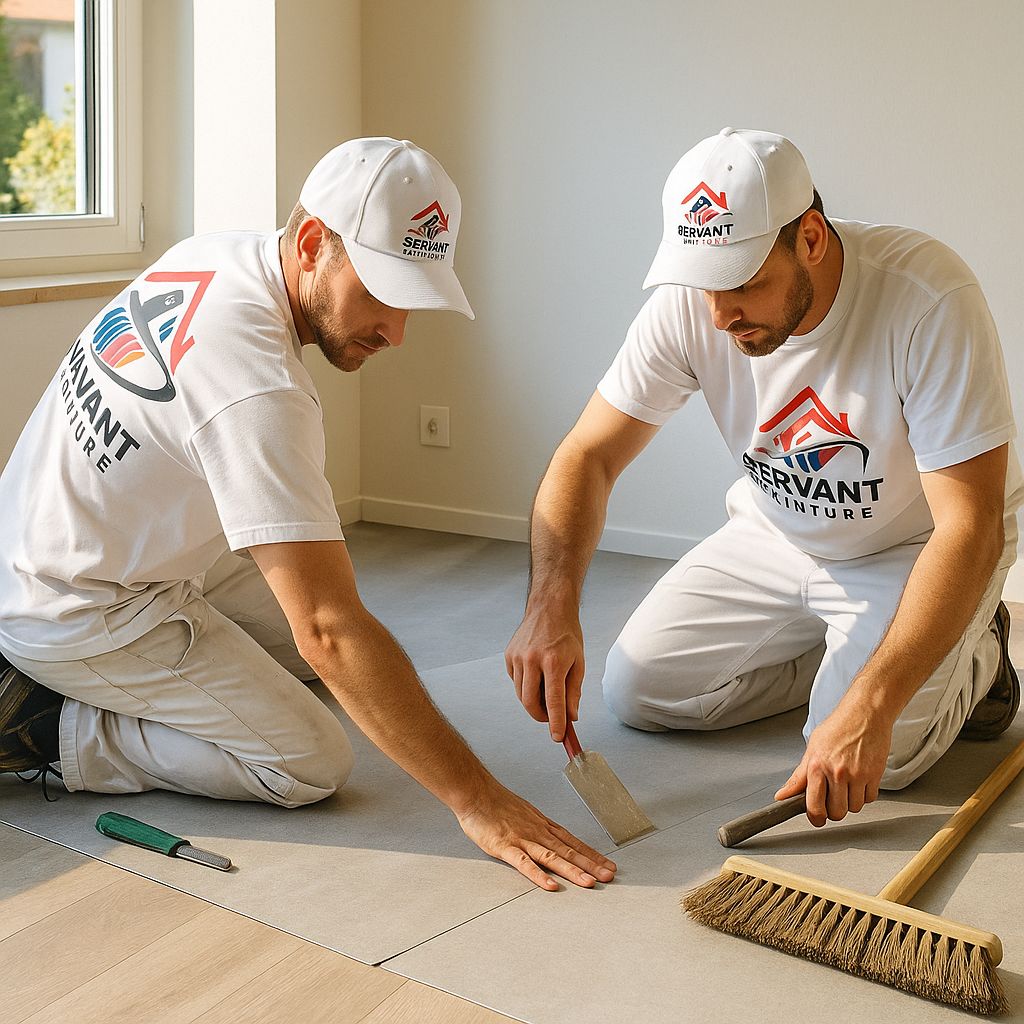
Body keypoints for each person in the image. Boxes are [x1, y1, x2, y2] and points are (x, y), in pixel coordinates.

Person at [0, 137, 615, 892]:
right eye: (383, 292)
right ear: (315, 242)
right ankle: (39, 727)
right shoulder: (256, 385)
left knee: (304, 657)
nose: (396, 332)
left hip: (51, 544)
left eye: (412, 300)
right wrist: (478, 801)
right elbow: (329, 629)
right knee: (308, 760)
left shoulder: (217, 254)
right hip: (77, 605)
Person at [506, 127, 1022, 829]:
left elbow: (970, 525)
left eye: (744, 283)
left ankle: (979, 654)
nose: (719, 315)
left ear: (809, 237)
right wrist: (550, 603)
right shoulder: (695, 304)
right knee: (640, 692)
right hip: (774, 532)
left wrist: (869, 705)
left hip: (915, 546)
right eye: (705, 285)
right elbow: (587, 455)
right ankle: (846, 656)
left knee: (885, 758)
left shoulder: (927, 297)